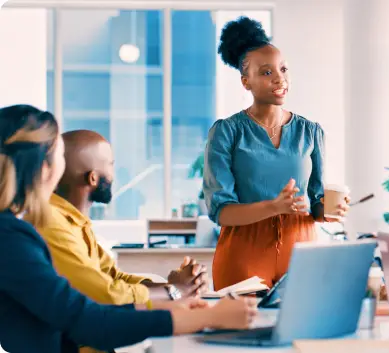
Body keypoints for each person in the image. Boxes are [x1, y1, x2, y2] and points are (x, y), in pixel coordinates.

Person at [0, 104, 256, 353]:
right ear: (46, 168)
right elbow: (88, 319)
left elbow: (86, 308)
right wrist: (205, 317)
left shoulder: (13, 232)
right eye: (59, 154)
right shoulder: (12, 238)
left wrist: (173, 306)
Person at [204, 17, 349, 290]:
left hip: (301, 253)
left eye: (283, 69)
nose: (279, 78)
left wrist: (330, 212)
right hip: (243, 254)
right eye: (266, 72)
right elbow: (221, 211)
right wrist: (274, 207)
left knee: (302, 332)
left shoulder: (310, 132)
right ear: (246, 82)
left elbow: (315, 201)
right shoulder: (227, 132)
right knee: (244, 331)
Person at [38, 130, 207, 314]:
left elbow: (112, 276)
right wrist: (174, 291)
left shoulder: (75, 221)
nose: (113, 174)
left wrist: (176, 285)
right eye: (110, 165)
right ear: (92, 178)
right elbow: (106, 293)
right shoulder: (52, 224)